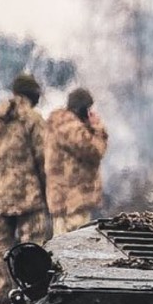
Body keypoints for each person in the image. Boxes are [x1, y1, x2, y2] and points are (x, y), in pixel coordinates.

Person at [0, 73, 50, 304]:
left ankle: (2, 292)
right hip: (30, 195)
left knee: (1, 247)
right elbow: (43, 159)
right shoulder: (34, 119)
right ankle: (33, 290)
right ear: (32, 95)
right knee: (32, 244)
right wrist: (47, 192)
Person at [44, 88, 109, 236]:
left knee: (61, 249)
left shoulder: (57, 123)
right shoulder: (70, 127)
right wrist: (97, 127)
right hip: (74, 201)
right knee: (76, 250)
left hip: (63, 201)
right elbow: (95, 150)